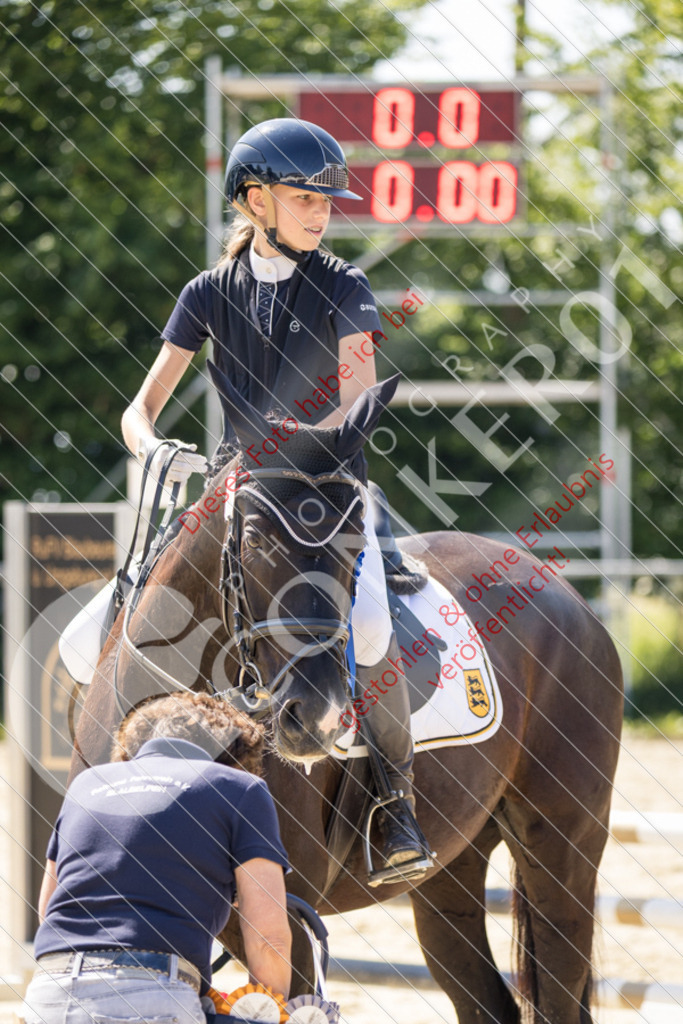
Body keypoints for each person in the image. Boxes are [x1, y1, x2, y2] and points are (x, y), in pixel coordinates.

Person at [119, 118, 428, 878]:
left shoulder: (345, 286)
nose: (322, 214)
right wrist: (151, 446)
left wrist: (298, 436)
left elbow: (356, 393)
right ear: (256, 200)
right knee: (133, 601)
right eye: (304, 199)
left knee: (372, 626)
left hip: (324, 484)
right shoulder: (206, 293)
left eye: (328, 201)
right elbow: (141, 407)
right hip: (239, 488)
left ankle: (393, 804)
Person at [22, 692, 291, 1024]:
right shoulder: (241, 787)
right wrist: (269, 1011)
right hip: (152, 995)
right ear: (233, 757)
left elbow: (49, 909)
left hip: (49, 992)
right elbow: (269, 939)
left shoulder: (86, 784)